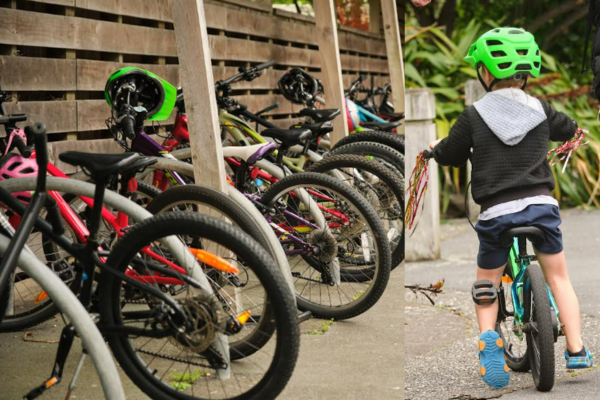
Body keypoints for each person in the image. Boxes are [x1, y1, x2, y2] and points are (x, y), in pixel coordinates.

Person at [428, 27, 593, 389]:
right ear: (527, 72)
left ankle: (489, 337)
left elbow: (451, 155)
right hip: (541, 208)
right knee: (559, 277)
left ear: (485, 73)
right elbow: (568, 129)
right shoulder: (541, 109)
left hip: (497, 214)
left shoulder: (472, 116)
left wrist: (434, 150)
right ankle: (577, 349)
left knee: (487, 280)